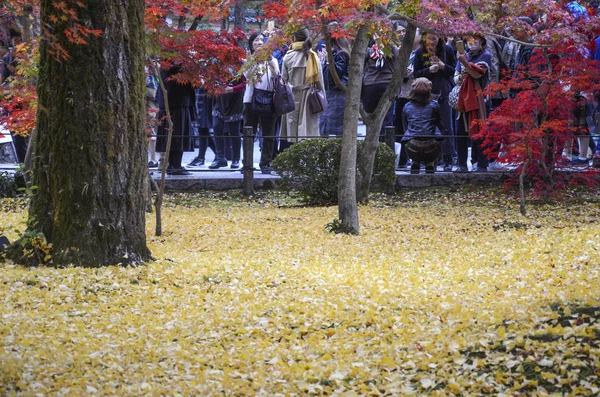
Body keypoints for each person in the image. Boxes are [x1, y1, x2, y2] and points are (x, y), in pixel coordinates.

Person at [413, 32, 457, 171]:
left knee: (446, 125)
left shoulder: (448, 50)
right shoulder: (420, 52)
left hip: (444, 91)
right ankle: (428, 158)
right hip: (427, 93)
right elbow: (416, 73)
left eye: (435, 38)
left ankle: (448, 157)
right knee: (427, 125)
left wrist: (443, 66)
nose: (432, 42)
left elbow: (454, 70)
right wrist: (428, 70)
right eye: (429, 38)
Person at [280, 27, 326, 150]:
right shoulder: (312, 56)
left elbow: (283, 80)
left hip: (292, 94)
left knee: (291, 130)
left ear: (294, 38)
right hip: (309, 96)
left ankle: (291, 157)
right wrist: (323, 98)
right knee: (307, 129)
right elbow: (319, 80)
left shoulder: (287, 57)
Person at [454, 35, 493, 172]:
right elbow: (456, 78)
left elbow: (477, 74)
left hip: (480, 99)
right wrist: (460, 76)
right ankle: (462, 165)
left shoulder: (486, 55)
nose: (472, 42)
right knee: (460, 131)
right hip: (463, 99)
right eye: (469, 39)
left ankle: (482, 165)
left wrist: (464, 62)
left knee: (480, 131)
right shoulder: (463, 55)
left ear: (482, 40)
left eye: (476, 39)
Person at [244, 32, 280, 173]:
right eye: (256, 40)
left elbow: (277, 75)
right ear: (251, 44)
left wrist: (269, 59)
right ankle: (247, 163)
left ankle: (265, 162)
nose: (259, 42)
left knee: (268, 133)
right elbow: (247, 76)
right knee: (249, 133)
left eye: (261, 40)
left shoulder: (272, 59)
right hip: (251, 99)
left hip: (269, 99)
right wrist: (255, 60)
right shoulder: (248, 59)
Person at [155, 64, 196, 175]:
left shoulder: (165, 64)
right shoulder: (181, 63)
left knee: (171, 135)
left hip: (167, 103)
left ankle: (172, 165)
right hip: (179, 102)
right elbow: (191, 83)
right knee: (178, 134)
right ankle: (176, 166)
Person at [401, 78, 444, 174]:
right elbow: (440, 125)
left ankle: (415, 162)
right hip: (431, 147)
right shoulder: (434, 105)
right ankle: (430, 163)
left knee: (409, 133)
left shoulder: (407, 106)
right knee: (436, 134)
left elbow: (405, 127)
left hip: (412, 146)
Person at [362, 32, 398, 141]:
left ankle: (374, 143)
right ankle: (382, 145)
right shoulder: (393, 48)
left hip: (371, 86)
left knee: (371, 118)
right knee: (385, 119)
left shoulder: (369, 50)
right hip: (384, 84)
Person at [209, 72, 246, 169]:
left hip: (234, 100)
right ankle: (220, 158)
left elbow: (245, 83)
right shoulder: (216, 64)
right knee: (216, 127)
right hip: (219, 99)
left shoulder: (240, 65)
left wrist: (232, 89)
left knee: (234, 131)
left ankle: (235, 159)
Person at [319, 33, 351, 136]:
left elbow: (337, 73)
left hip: (338, 93)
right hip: (331, 93)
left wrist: (329, 61)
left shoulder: (340, 54)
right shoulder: (334, 53)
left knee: (334, 125)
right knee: (327, 123)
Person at [187, 87, 216, 167]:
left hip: (205, 98)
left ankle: (201, 158)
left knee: (203, 129)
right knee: (203, 131)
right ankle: (219, 156)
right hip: (199, 97)